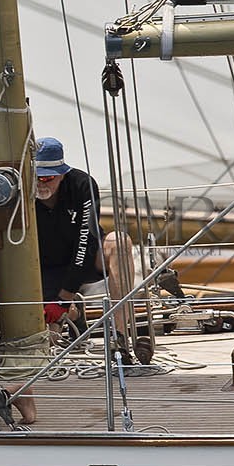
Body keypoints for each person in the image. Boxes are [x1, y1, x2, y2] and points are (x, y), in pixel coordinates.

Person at [32, 137, 149, 363]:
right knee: (48, 339)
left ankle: (119, 337)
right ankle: (75, 313)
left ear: (62, 173)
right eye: (35, 177)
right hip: (42, 266)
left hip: (84, 257)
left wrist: (64, 298)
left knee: (119, 242)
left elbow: (86, 242)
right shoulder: (20, 190)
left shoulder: (82, 184)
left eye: (47, 177)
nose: (40, 184)